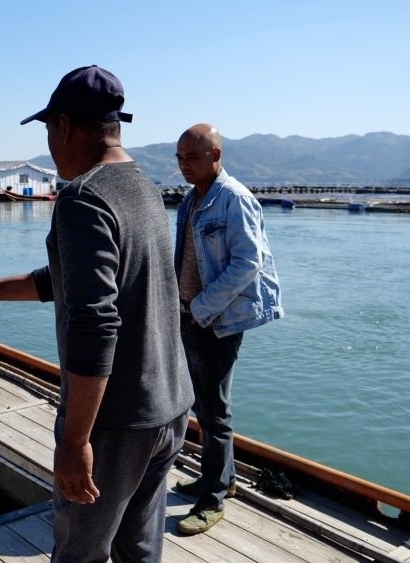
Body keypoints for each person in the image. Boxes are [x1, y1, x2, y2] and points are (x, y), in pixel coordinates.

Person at [0, 65, 193, 562]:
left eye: (48, 130)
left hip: (116, 421)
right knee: (138, 549)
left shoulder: (83, 197)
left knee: (80, 553)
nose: (50, 143)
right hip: (169, 405)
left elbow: (94, 323)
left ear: (63, 125)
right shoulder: (144, 187)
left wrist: (75, 440)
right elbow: (71, 277)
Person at [172, 123, 284, 535]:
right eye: (179, 158)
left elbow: (248, 262)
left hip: (216, 319)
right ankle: (223, 478)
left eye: (192, 157)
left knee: (215, 413)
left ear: (215, 155)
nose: (184, 166)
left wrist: (201, 307)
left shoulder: (234, 199)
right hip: (189, 314)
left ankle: (213, 499)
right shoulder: (191, 199)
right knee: (203, 406)